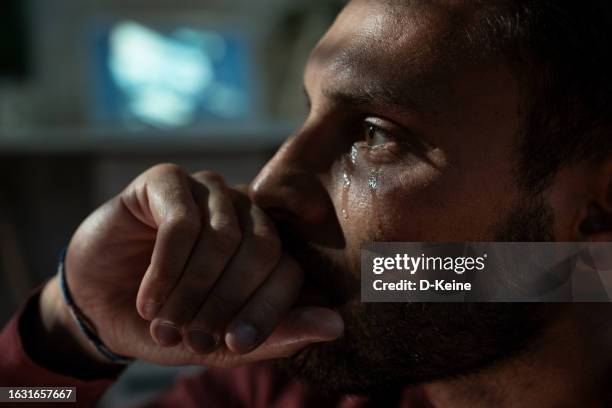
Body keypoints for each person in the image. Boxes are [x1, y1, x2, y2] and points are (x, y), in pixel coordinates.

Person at [2, 0, 612, 406]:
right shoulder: (271, 392)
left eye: (376, 134)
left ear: (598, 209)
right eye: (308, 112)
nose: (269, 186)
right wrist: (67, 335)